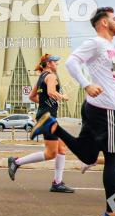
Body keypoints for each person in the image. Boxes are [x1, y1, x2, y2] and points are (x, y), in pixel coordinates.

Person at [30, 7, 115, 216]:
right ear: (103, 24)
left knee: (89, 156)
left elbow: (108, 60)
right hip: (106, 110)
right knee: (112, 159)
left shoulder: (108, 46)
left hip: (95, 108)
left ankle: (53, 126)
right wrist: (85, 84)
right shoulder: (96, 43)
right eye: (113, 19)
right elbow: (72, 62)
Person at [7, 54, 73, 193]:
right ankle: (16, 162)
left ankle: (57, 182)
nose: (57, 65)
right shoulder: (51, 76)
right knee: (50, 153)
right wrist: (63, 97)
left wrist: (44, 104)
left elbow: (32, 96)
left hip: (44, 115)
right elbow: (51, 92)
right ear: (49, 64)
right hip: (48, 118)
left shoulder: (41, 77)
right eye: (56, 62)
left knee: (61, 149)